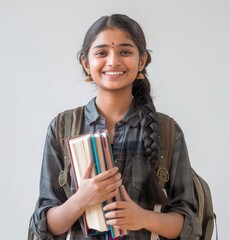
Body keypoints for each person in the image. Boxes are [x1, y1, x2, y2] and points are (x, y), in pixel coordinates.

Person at [29, 14, 201, 240]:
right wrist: (82, 199)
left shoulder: (167, 130)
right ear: (86, 63)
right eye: (101, 52)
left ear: (142, 61)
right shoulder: (62, 127)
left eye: (125, 52)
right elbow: (42, 227)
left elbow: (189, 223)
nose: (113, 61)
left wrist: (142, 217)